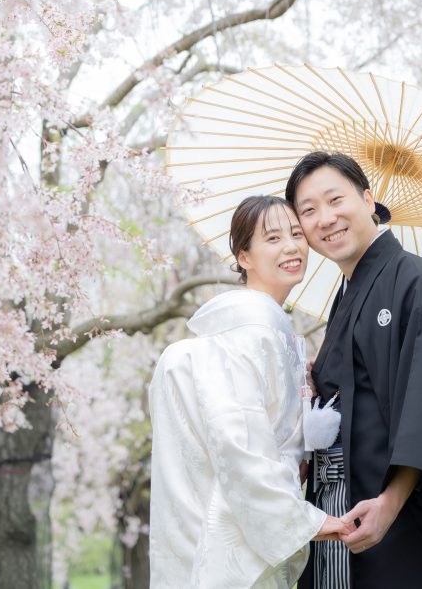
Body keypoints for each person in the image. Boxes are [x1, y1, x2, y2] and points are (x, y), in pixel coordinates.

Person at [287, 152, 422, 589]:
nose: (325, 218)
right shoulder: (346, 295)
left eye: (335, 200)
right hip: (338, 508)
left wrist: (390, 502)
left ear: (368, 199)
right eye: (308, 211)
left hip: (391, 513)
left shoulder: (418, 281)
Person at [149, 195, 352, 588]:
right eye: (273, 238)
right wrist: (305, 521)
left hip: (255, 531)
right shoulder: (249, 335)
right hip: (237, 539)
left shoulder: (274, 335)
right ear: (244, 256)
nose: (292, 247)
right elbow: (237, 444)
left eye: (296, 234)